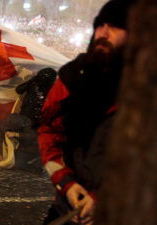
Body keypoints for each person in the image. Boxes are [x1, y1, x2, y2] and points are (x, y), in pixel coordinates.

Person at [38, 1, 135, 224]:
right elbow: (49, 132)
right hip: (68, 205)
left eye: (115, 26)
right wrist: (66, 183)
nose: (104, 32)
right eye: (100, 25)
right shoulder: (72, 77)